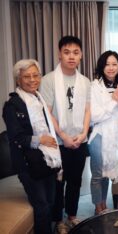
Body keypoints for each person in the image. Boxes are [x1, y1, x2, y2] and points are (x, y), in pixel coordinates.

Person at [2, 59, 62, 234]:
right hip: (27, 164)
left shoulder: (39, 100)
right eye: (27, 76)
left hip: (47, 159)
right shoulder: (12, 105)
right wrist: (40, 140)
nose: (32, 79)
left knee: (50, 201)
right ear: (18, 80)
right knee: (42, 205)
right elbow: (15, 137)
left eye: (36, 75)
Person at [40, 36, 91, 234]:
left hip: (79, 140)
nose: (71, 56)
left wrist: (84, 133)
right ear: (59, 54)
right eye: (67, 52)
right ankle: (58, 219)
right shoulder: (48, 80)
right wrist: (63, 136)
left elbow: (88, 110)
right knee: (58, 182)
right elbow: (47, 112)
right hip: (57, 142)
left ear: (81, 55)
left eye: (76, 52)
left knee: (75, 181)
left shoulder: (85, 81)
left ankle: (72, 216)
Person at [88, 50, 118, 215]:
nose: (111, 68)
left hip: (116, 134)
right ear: (101, 66)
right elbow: (95, 116)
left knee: (107, 173)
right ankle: (97, 207)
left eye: (114, 64)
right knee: (98, 174)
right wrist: (114, 103)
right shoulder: (93, 87)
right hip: (99, 134)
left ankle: (104, 205)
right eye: (107, 64)